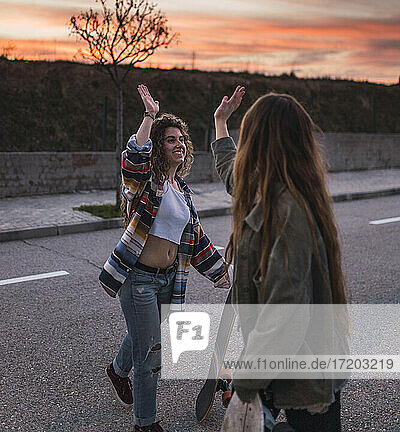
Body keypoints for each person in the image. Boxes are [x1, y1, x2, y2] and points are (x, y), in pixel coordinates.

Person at [212, 87, 347, 432]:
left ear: (261, 140)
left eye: (249, 133)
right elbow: (232, 173)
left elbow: (284, 313)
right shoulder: (266, 187)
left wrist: (244, 384)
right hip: (281, 368)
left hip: (303, 373)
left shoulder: (289, 211)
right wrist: (220, 123)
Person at [99, 84, 231, 432]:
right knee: (151, 356)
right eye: (171, 139)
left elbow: (196, 239)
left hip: (167, 280)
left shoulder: (182, 192)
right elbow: (133, 160)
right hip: (138, 279)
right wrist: (149, 117)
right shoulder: (147, 183)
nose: (179, 144)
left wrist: (221, 272)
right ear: (160, 146)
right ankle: (145, 424)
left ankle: (116, 370)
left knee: (144, 337)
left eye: (181, 139)